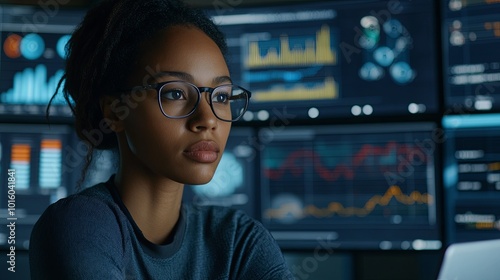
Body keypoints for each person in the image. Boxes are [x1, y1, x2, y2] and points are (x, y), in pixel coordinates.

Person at [29, 0, 294, 279]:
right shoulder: (79, 225)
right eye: (176, 93)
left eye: (221, 96)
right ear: (115, 111)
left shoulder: (238, 241)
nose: (208, 119)